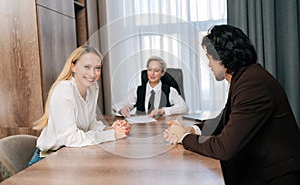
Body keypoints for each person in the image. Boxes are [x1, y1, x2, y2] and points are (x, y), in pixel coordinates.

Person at [163, 25, 300, 185]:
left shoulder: (252, 84)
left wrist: (184, 137)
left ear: (222, 57)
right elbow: (223, 121)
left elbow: (224, 148)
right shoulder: (248, 76)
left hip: (274, 176)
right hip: (260, 170)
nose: (209, 65)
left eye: (209, 58)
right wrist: (192, 129)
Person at [29, 45, 131, 166]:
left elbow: (90, 124)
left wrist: (111, 129)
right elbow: (71, 138)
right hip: (49, 159)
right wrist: (112, 135)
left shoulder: (92, 88)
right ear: (73, 67)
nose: (92, 74)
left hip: (72, 154)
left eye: (97, 68)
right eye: (87, 67)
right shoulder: (63, 90)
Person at [113, 56, 188, 118]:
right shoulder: (137, 91)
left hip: (163, 128)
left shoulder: (170, 91)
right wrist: (123, 109)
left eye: (156, 70)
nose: (152, 73)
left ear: (162, 73)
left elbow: (184, 107)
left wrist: (163, 110)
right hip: (142, 129)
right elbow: (119, 105)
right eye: (149, 70)